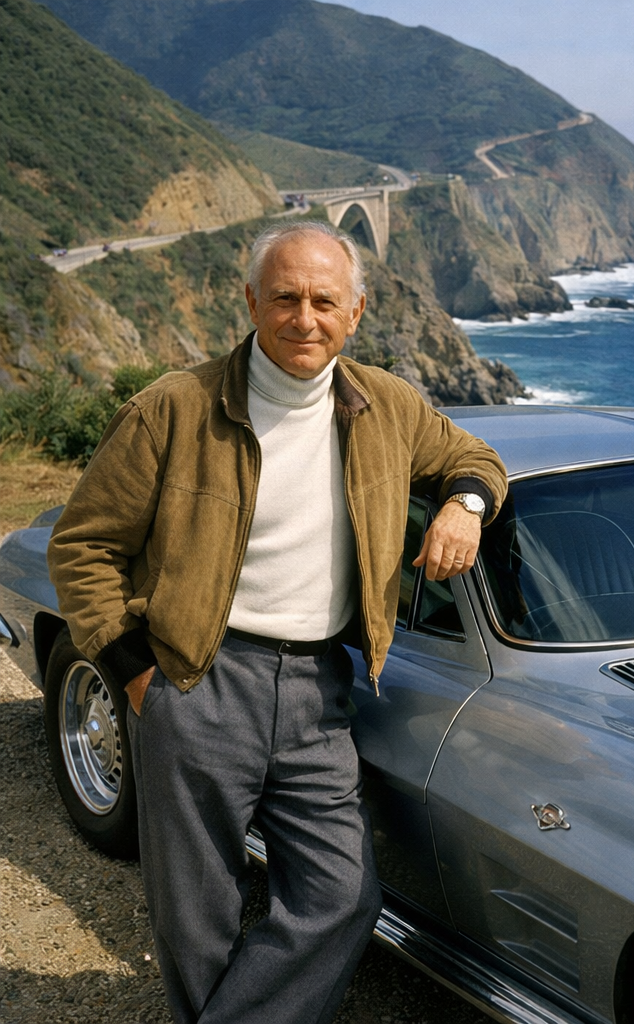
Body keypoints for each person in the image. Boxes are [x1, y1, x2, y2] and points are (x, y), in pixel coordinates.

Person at [47, 222, 508, 1024]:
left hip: (320, 688)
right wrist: (137, 676)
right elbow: (83, 545)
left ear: (356, 311)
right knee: (197, 916)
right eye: (285, 298)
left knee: (342, 896)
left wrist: (464, 505)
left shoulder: (387, 405)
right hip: (198, 677)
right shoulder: (174, 408)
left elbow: (476, 459)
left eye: (324, 301)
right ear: (252, 301)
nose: (304, 318)